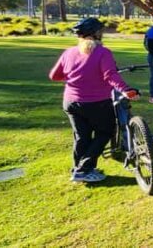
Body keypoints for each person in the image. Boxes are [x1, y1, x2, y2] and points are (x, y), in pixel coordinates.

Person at [49, 17, 138, 183]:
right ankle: (84, 169)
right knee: (104, 132)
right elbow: (110, 75)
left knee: (81, 136)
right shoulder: (102, 52)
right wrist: (126, 90)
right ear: (96, 34)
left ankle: (79, 169)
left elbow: (54, 76)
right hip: (96, 102)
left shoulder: (69, 52)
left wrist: (76, 79)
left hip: (71, 101)